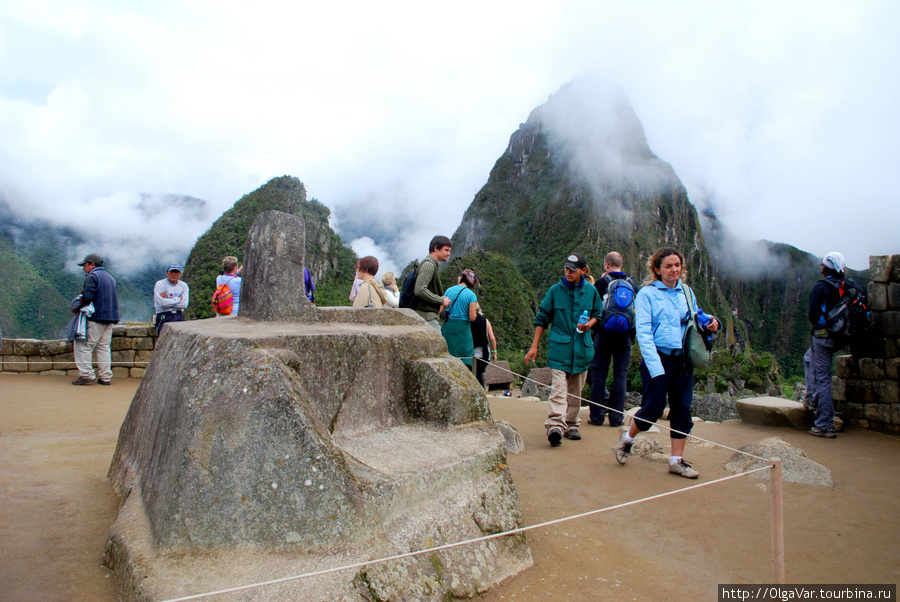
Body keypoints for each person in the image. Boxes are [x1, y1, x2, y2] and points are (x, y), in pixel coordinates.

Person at [615, 247, 720, 479]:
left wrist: (713, 322)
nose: (674, 270)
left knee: (682, 408)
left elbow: (696, 316)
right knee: (652, 409)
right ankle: (628, 439)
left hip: (682, 359)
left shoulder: (686, 292)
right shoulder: (646, 294)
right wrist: (656, 368)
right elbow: (643, 332)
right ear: (657, 269)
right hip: (658, 358)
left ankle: (676, 461)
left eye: (677, 265)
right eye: (668, 266)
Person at [525, 252, 603, 447]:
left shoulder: (591, 292)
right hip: (560, 349)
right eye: (566, 268)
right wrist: (534, 346)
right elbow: (541, 318)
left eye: (573, 270)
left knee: (576, 390)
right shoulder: (555, 291)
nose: (568, 272)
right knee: (559, 389)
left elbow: (598, 314)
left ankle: (571, 424)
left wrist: (589, 324)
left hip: (582, 349)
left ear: (583, 271)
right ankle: (555, 426)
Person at [803, 252, 850, 438]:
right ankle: (812, 399)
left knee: (822, 377)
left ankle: (824, 424)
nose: (820, 267)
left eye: (822, 264)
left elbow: (813, 315)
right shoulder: (846, 286)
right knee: (808, 359)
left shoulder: (821, 287)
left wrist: (822, 325)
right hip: (840, 338)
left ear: (825, 267)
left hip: (823, 337)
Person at [588, 251, 636, 427]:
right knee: (620, 376)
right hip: (624, 337)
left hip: (603, 335)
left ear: (606, 265)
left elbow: (593, 308)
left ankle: (597, 416)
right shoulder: (632, 285)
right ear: (621, 265)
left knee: (599, 374)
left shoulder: (601, 283)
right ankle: (616, 418)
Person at [71, 253, 120, 385]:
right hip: (110, 318)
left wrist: (77, 304)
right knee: (103, 347)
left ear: (92, 265)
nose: (83, 268)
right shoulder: (110, 278)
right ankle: (105, 377)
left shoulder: (93, 277)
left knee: (84, 346)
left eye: (85, 265)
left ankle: (87, 375)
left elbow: (87, 296)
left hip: (96, 317)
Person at [441, 269, 479, 369]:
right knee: (465, 360)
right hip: (463, 330)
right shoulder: (471, 295)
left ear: (462, 277)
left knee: (447, 356)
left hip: (448, 327)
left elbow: (440, 309)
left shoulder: (449, 290)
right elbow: (472, 317)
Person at [413, 235, 452, 329]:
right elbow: (419, 290)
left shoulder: (432, 265)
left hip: (428, 317)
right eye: (446, 250)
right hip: (427, 318)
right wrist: (441, 300)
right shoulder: (429, 265)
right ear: (436, 248)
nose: (449, 253)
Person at [153, 262, 189, 335]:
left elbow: (184, 305)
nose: (174, 274)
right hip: (164, 316)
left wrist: (168, 300)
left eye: (176, 272)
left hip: (179, 316)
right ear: (167, 273)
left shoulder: (183, 285)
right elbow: (162, 304)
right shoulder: (160, 284)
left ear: (180, 274)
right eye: (171, 272)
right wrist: (178, 299)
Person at [471, 303, 497, 388]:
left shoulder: (468, 320)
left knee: (475, 374)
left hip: (472, 352)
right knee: (479, 373)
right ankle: (482, 393)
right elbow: (492, 338)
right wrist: (494, 352)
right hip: (485, 353)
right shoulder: (485, 321)